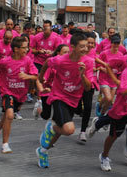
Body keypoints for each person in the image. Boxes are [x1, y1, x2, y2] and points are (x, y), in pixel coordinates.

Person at [36, 33, 95, 168]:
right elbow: (47, 62)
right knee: (68, 130)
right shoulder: (61, 60)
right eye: (82, 46)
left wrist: (82, 74)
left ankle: (43, 151)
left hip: (74, 100)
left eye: (86, 46)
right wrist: (40, 77)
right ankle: (49, 127)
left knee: (59, 131)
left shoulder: (89, 62)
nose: (85, 49)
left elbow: (87, 88)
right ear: (72, 46)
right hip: (59, 97)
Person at [0, 37, 39, 154]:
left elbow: (36, 76)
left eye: (27, 47)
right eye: (24, 47)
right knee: (10, 115)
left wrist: (28, 76)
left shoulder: (27, 60)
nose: (27, 50)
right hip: (7, 91)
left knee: (7, 115)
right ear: (16, 49)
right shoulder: (5, 61)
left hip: (21, 94)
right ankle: (5, 145)